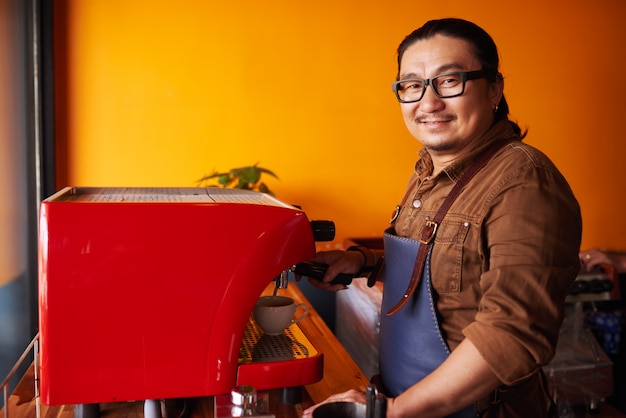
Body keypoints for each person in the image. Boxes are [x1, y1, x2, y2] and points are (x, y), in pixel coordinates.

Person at [302, 18, 582, 418]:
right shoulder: (430, 172)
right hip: (414, 402)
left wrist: (392, 411)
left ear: (495, 89)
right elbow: (451, 275)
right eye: (412, 85)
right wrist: (362, 263)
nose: (428, 103)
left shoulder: (524, 181)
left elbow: (511, 335)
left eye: (449, 81)